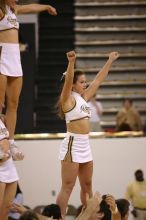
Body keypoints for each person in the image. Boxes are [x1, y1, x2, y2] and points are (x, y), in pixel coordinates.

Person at [56, 50, 119, 219]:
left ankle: (90, 215)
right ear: (73, 84)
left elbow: (98, 79)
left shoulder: (84, 98)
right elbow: (68, 80)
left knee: (87, 185)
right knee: (68, 186)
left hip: (85, 145)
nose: (85, 84)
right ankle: (59, 216)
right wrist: (71, 63)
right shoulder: (67, 99)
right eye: (82, 82)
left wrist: (109, 61)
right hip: (72, 144)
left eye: (85, 81)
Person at [0, 0, 57, 160]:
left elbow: (31, 7)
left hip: (15, 59)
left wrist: (46, 7)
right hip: (1, 57)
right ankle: (0, 141)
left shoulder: (14, 10)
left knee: (13, 104)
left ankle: (11, 141)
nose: (17, 0)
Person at [0, 118, 19, 220]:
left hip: (9, 166)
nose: (3, 104)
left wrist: (14, 150)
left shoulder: (2, 117)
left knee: (6, 210)